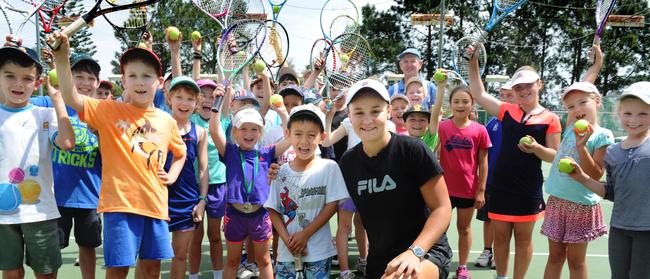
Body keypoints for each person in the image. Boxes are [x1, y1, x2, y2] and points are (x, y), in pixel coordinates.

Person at [50, 32, 187, 279]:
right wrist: (62, 59)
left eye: (146, 76)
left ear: (158, 81)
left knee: (152, 270)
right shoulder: (109, 110)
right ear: (123, 80)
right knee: (118, 269)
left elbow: (180, 152)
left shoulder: (167, 120)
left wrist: (172, 176)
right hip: (120, 205)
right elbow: (71, 97)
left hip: (156, 206)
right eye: (132, 75)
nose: (139, 82)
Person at [338, 79, 452, 279]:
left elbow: (442, 209)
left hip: (426, 252)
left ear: (388, 111)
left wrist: (414, 252)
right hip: (380, 259)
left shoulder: (413, 150)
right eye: (359, 112)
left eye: (375, 111)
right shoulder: (348, 163)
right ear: (349, 115)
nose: (367, 120)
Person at [468, 48, 561, 279]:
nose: (523, 91)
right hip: (501, 186)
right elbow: (478, 93)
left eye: (528, 85)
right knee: (500, 238)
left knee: (523, 239)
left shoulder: (551, 118)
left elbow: (554, 156)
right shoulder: (506, 111)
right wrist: (474, 62)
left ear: (539, 84)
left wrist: (537, 149)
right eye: (518, 87)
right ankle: (501, 276)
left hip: (528, 189)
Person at [0, 44, 74, 279]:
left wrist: (58, 100)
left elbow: (67, 142)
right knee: (11, 272)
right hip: (3, 212)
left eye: (27, 78)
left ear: (38, 82)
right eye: (9, 76)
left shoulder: (45, 114)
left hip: (40, 211)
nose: (18, 84)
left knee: (46, 272)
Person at [31, 52, 104, 279]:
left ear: (98, 83)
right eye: (78, 76)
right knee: (52, 250)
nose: (84, 83)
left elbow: (110, 153)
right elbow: (13, 100)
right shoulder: (49, 102)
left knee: (88, 246)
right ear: (67, 78)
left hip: (90, 196)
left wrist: (100, 131)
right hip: (55, 196)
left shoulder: (104, 111)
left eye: (90, 78)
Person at [567, 82, 650, 279]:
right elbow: (611, 192)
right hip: (620, 228)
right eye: (628, 113)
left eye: (643, 114)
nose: (634, 120)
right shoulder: (613, 151)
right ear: (618, 114)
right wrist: (582, 178)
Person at [209, 83, 292, 279]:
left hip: (260, 215)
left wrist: (282, 113)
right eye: (243, 129)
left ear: (260, 133)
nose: (248, 133)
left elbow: (289, 137)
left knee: (264, 260)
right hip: (234, 215)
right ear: (235, 133)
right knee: (232, 261)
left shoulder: (266, 153)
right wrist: (216, 104)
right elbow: (214, 131)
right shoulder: (229, 152)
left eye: (254, 129)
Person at [541, 46, 611, 279]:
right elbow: (584, 86)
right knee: (555, 257)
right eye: (571, 107)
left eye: (583, 103)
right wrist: (596, 66)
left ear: (597, 101)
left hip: (581, 205)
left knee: (576, 262)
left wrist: (582, 147)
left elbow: (597, 173)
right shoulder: (572, 124)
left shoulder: (602, 135)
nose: (577, 110)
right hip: (557, 201)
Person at [265, 104, 350, 279]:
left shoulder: (329, 167)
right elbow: (272, 208)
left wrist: (305, 234)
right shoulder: (280, 172)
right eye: (298, 134)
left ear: (322, 137)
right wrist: (287, 239)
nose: (304, 142)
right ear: (287, 134)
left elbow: (332, 205)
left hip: (319, 252)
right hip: (286, 252)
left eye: (311, 135)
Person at [437, 85, 491, 279]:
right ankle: (437, 263)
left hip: (468, 190)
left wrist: (481, 190)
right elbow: (433, 149)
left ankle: (461, 267)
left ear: (472, 104)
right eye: (456, 101)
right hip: (443, 190)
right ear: (450, 104)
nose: (460, 105)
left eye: (465, 101)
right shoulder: (442, 127)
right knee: (438, 228)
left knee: (464, 228)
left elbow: (483, 163)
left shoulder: (480, 130)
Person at [164, 77, 209, 279]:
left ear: (196, 103)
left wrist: (202, 201)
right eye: (179, 97)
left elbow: (203, 170)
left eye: (190, 99)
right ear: (169, 98)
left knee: (180, 255)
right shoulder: (158, 124)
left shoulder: (199, 132)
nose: (184, 103)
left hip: (186, 201)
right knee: (149, 257)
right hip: (156, 198)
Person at [188, 79, 228, 279]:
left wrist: (224, 93)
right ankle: (193, 276)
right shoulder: (190, 120)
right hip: (193, 186)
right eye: (202, 94)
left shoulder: (222, 120)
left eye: (212, 95)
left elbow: (225, 101)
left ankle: (218, 276)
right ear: (195, 99)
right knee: (195, 238)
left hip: (218, 185)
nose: (207, 98)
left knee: (214, 236)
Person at [474, 82, 516, 269]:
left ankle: (500, 253)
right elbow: (483, 153)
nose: (504, 99)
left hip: (512, 183)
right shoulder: (492, 122)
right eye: (502, 95)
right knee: (488, 219)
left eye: (509, 95)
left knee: (506, 221)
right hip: (491, 182)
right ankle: (487, 250)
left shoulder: (522, 122)